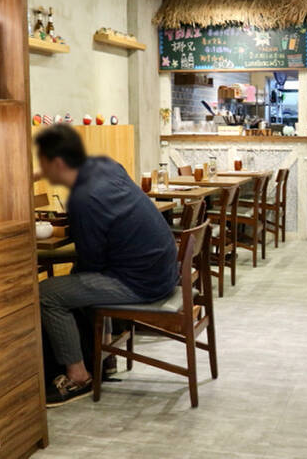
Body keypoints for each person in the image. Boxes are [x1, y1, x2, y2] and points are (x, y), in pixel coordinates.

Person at [35, 124, 178, 407]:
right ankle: (106, 355)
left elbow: (93, 262)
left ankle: (78, 376)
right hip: (163, 270)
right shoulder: (107, 166)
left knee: (48, 294)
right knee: (78, 280)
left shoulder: (84, 198)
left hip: (141, 283)